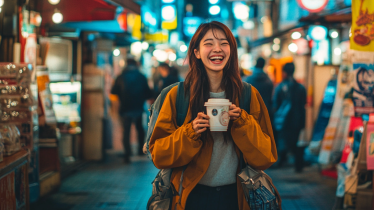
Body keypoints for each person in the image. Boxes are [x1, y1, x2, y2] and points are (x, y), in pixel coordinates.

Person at [149, 21, 277, 210]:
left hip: (236, 197)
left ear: (231, 51)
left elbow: (266, 157)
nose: (217, 49)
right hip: (190, 197)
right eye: (208, 43)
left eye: (224, 43)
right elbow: (159, 155)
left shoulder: (248, 95)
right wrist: (190, 131)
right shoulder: (177, 96)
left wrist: (242, 122)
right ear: (197, 52)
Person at [111, 57, 153, 163]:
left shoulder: (121, 77)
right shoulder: (141, 76)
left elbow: (114, 91)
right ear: (136, 65)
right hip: (138, 107)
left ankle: (127, 154)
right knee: (140, 129)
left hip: (125, 108)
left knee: (126, 131)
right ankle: (140, 150)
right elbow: (148, 93)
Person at [272, 62, 306, 172]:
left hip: (283, 120)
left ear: (285, 73)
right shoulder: (300, 87)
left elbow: (275, 103)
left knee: (283, 141)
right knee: (295, 142)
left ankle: (281, 161)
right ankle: (298, 165)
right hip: (297, 119)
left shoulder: (280, 87)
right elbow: (303, 104)